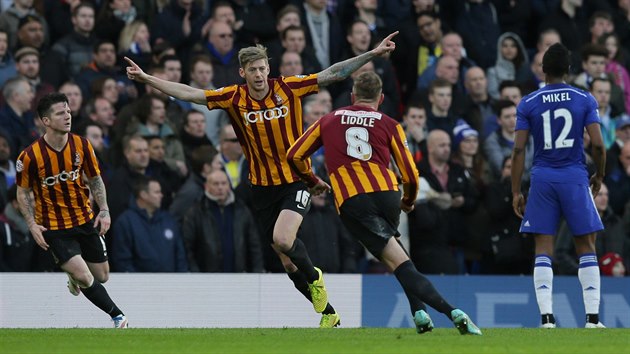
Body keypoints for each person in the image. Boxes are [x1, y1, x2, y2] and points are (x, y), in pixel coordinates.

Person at [125, 28, 400, 329]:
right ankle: (329, 314)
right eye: (252, 70)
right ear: (242, 72)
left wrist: (372, 54)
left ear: (269, 68)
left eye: (262, 68)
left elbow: (333, 73)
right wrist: (149, 79)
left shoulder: (289, 88)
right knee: (286, 259)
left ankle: (316, 279)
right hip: (261, 187)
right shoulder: (233, 97)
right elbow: (190, 93)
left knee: (283, 239)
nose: (258, 74)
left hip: (297, 178)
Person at [287, 71, 482, 335]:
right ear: (380, 99)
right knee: (396, 253)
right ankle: (419, 312)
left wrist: (311, 181)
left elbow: (294, 155)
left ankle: (453, 312)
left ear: (352, 96)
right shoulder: (390, 123)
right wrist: (408, 201)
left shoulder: (328, 120)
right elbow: (410, 174)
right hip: (387, 195)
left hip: (354, 200)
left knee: (399, 262)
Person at [511, 43, 607, 329]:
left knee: (543, 248)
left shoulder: (528, 102)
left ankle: (547, 320)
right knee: (586, 246)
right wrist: (599, 175)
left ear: (543, 70)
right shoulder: (584, 98)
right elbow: (599, 144)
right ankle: (592, 320)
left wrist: (516, 190)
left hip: (542, 178)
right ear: (569, 69)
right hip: (575, 177)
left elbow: (518, 151)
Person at [15, 92, 128, 328]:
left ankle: (72, 274)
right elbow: (23, 192)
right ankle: (118, 316)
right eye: (60, 113)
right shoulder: (29, 156)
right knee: (84, 276)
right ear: (46, 121)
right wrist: (32, 225)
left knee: (102, 276)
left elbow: (95, 180)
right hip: (54, 227)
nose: (67, 116)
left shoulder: (82, 145)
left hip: (84, 219)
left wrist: (104, 210)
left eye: (67, 111)